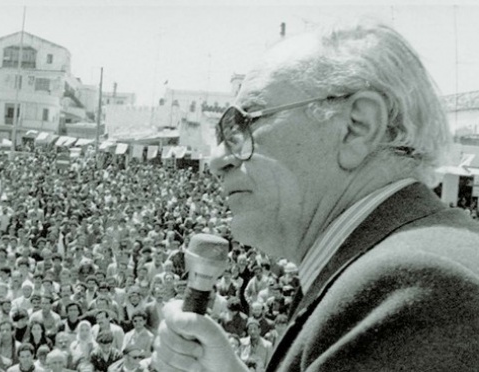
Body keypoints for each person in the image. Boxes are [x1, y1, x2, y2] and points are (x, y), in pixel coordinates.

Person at [153, 20, 479, 372]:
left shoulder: (412, 291)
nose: (217, 159)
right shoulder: (403, 267)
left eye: (243, 124)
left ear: (358, 127)